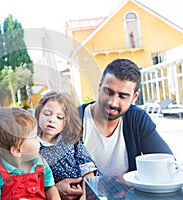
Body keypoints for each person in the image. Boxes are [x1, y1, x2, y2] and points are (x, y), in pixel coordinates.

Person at [56, 58, 173, 199]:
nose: (113, 102)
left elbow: (168, 165)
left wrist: (133, 178)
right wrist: (54, 188)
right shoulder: (72, 119)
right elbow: (40, 165)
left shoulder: (137, 119)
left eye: (123, 96)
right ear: (99, 86)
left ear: (134, 96)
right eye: (108, 92)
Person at [35, 91, 102, 199]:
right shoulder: (32, 146)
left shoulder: (71, 140)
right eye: (47, 114)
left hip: (85, 192)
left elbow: (88, 169)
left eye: (59, 117)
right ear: (38, 114)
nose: (52, 120)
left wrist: (85, 195)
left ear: (66, 121)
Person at [0, 107, 60, 200]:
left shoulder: (40, 163)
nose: (39, 139)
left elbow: (50, 187)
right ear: (17, 150)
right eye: (34, 136)